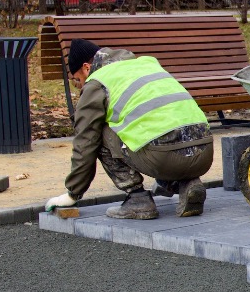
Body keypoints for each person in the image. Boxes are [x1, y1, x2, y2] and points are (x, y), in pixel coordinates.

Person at [43, 39, 214, 220]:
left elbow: (85, 142)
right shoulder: (145, 64)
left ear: (86, 68)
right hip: (203, 153)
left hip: (164, 159)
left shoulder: (97, 81)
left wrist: (73, 193)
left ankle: (138, 199)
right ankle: (186, 183)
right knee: (160, 134)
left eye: (77, 81)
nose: (80, 86)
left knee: (98, 132)